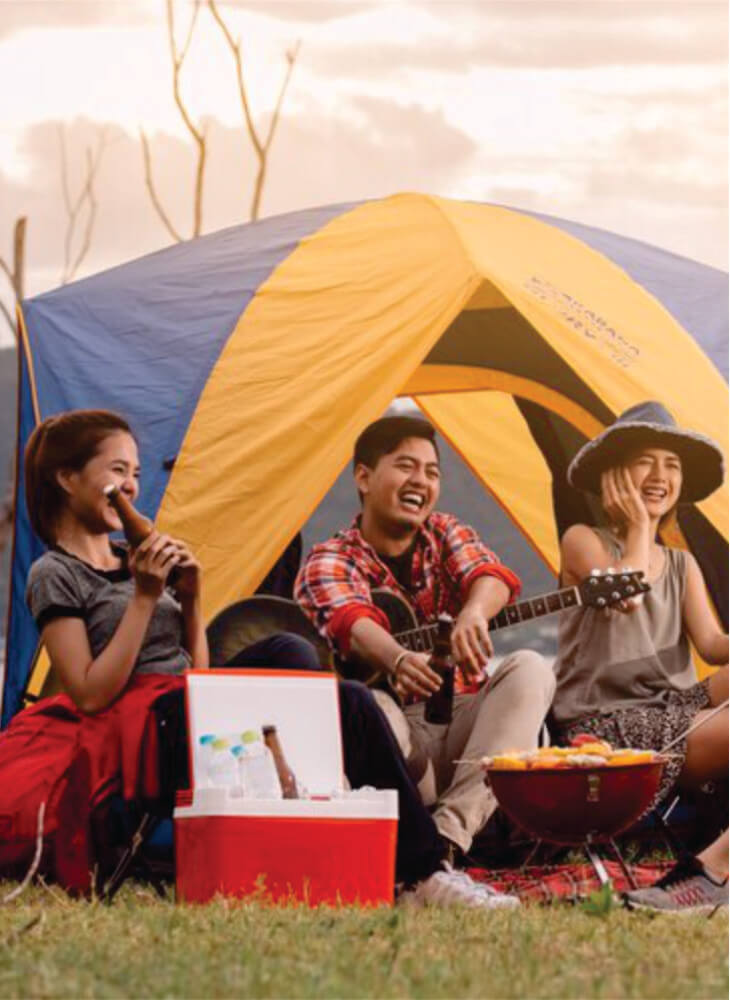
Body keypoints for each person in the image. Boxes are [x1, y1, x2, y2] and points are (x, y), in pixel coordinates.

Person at [2, 408, 517, 908]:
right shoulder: (55, 573)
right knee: (349, 703)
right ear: (67, 478)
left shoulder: (131, 557)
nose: (132, 486)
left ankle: (366, 836)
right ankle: (421, 871)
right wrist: (143, 597)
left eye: (136, 473)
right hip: (136, 731)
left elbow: (196, 670)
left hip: (184, 706)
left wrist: (193, 597)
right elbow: (89, 693)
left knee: (311, 666)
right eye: (118, 472)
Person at [296, 415, 555, 865]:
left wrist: (474, 611)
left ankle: (447, 840)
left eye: (432, 472)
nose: (421, 481)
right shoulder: (330, 558)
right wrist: (396, 658)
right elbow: (349, 619)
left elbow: (490, 573)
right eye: (405, 466)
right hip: (397, 740)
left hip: (465, 728)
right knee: (370, 705)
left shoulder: (444, 532)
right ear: (363, 476)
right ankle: (434, 838)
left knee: (532, 667)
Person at [551, 400, 728, 913]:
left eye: (671, 465)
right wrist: (640, 528)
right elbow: (627, 592)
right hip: (605, 725)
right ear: (614, 477)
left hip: (673, 709)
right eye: (646, 461)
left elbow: (714, 646)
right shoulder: (583, 541)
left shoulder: (682, 563)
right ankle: (713, 872)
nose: (661, 475)